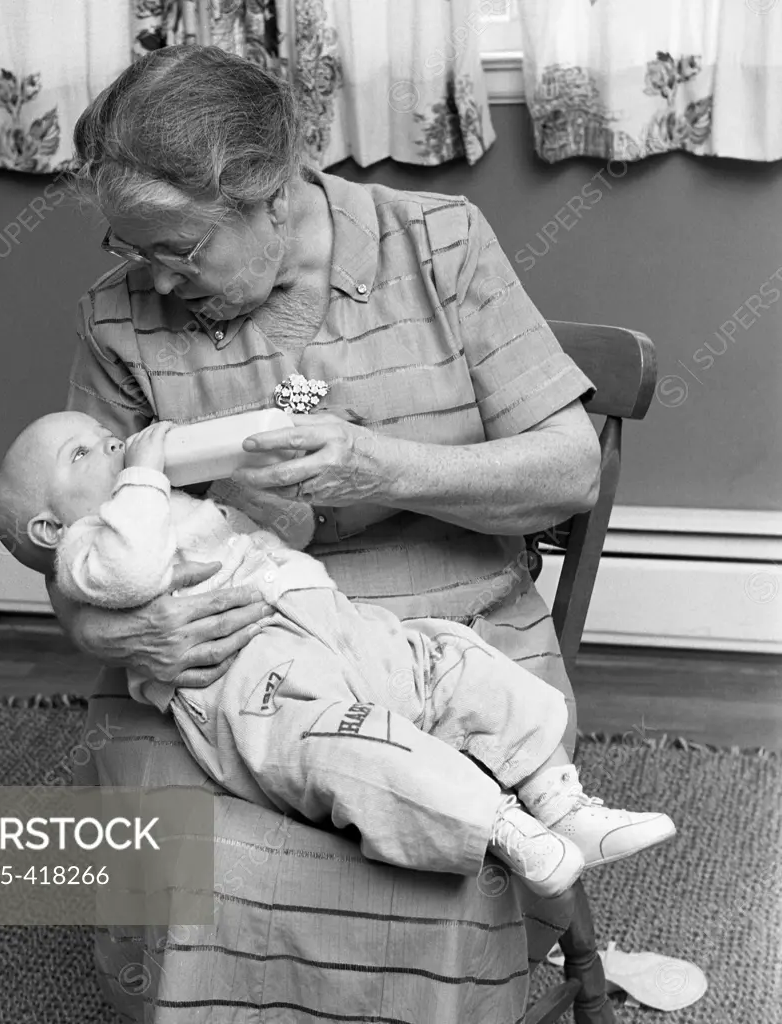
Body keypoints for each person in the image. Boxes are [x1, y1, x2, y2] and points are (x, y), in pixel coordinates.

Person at [44, 42, 628, 1024]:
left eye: (177, 248)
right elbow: (76, 539)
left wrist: (380, 466)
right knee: (197, 843)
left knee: (439, 812)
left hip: (450, 631)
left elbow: (568, 468)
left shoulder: (435, 244)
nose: (153, 278)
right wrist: (112, 632)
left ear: (274, 197)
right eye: (129, 247)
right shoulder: (118, 318)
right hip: (221, 657)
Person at [0, 407, 675, 898]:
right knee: (350, 753)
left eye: (106, 437)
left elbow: (275, 534)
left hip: (333, 624)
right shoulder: (88, 548)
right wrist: (142, 477)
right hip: (254, 682)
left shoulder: (164, 504)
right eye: (81, 454)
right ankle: (495, 824)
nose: (111, 445)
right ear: (50, 526)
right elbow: (131, 573)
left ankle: (559, 801)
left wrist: (243, 476)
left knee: (452, 660)